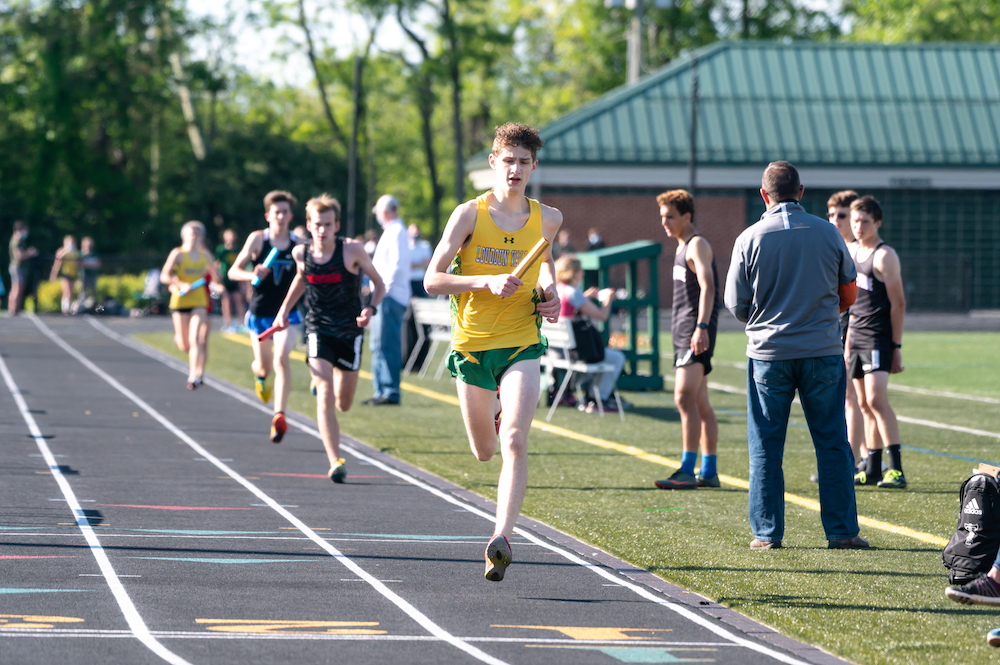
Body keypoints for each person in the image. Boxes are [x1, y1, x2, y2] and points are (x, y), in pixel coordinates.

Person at [425, 122, 562, 581]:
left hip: (521, 341)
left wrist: (551, 297)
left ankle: (501, 538)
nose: (516, 169)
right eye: (508, 160)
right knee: (485, 450)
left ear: (534, 167)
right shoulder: (469, 214)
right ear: (493, 163)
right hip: (472, 345)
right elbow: (432, 279)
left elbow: (546, 271)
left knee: (516, 440)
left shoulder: (549, 218)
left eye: (524, 162)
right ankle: (497, 419)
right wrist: (483, 280)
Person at [724, 161, 867, 550]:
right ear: (801, 191)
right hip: (821, 349)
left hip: (769, 353)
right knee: (833, 441)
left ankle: (768, 534)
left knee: (766, 444)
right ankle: (841, 531)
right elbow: (849, 292)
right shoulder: (829, 232)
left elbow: (736, 303)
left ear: (763, 195)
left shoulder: (749, 237)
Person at [274, 194, 385, 484]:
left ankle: (325, 381)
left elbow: (380, 283)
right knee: (324, 390)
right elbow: (301, 278)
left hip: (349, 331)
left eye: (328, 224)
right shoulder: (302, 253)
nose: (322, 230)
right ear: (308, 226)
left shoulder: (352, 251)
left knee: (343, 403)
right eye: (317, 224)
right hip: (318, 329)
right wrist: (283, 312)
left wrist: (370, 309)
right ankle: (335, 460)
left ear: (336, 225)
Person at [654, 189, 721, 490]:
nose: (664, 222)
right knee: (699, 402)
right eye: (662, 217)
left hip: (696, 332)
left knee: (683, 397)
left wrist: (702, 327)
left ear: (687, 216)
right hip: (683, 332)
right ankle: (709, 470)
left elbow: (709, 288)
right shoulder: (682, 247)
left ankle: (686, 468)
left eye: (670, 217)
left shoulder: (697, 245)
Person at [228, 190, 303, 443]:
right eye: (276, 212)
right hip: (260, 313)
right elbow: (233, 271)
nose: (280, 216)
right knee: (265, 365)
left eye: (285, 212)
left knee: (281, 359)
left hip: (287, 313)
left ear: (291, 215)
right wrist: (253, 274)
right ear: (268, 215)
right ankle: (260, 376)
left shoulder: (298, 243)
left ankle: (279, 415)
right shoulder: (258, 239)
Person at [847, 195, 907, 489]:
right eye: (855, 220)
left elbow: (899, 304)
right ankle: (871, 467)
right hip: (855, 338)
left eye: (865, 221)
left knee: (876, 400)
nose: (858, 226)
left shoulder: (884, 256)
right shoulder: (851, 252)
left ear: (877, 223)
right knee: (862, 403)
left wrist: (896, 347)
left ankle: (895, 469)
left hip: (877, 337)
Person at [826, 191, 873, 473]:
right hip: (840, 328)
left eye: (841, 215)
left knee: (852, 399)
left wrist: (848, 339)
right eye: (831, 215)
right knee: (855, 400)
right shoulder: (835, 246)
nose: (835, 220)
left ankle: (852, 461)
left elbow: (859, 302)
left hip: (855, 332)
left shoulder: (855, 251)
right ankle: (865, 455)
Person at [553, 254, 626, 413]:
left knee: (608, 357)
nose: (583, 273)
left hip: (557, 351)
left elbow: (568, 306)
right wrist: (608, 300)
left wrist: (584, 296)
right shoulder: (573, 292)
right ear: (572, 272)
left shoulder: (558, 289)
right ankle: (597, 399)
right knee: (616, 357)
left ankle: (593, 397)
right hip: (576, 354)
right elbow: (602, 315)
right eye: (580, 270)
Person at [160, 221, 220, 390]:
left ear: (201, 237)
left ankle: (194, 375)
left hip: (199, 301)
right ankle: (179, 337)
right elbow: (164, 276)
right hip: (180, 300)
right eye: (190, 234)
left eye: (197, 234)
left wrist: (217, 279)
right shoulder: (178, 254)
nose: (194, 237)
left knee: (196, 339)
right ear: (183, 236)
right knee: (184, 345)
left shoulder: (205, 255)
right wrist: (179, 284)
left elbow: (216, 277)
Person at [364, 194, 411, 406]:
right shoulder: (394, 231)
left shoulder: (397, 232)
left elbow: (397, 266)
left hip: (389, 296)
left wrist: (383, 290)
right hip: (386, 295)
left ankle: (389, 391)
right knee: (379, 344)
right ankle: (381, 389)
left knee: (386, 343)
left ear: (384, 212)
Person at [216, 229, 246, 333]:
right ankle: (227, 324)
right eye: (228, 236)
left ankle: (242, 323)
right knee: (226, 301)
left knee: (239, 301)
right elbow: (217, 263)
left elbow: (243, 264)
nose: (231, 238)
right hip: (224, 279)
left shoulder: (238, 250)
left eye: (232, 236)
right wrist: (217, 279)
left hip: (235, 280)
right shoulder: (221, 250)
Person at [8, 221, 38, 315]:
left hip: (15, 267)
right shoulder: (17, 240)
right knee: (18, 287)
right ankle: (14, 309)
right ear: (20, 229)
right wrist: (30, 253)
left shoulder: (15, 239)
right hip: (18, 267)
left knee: (14, 287)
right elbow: (19, 255)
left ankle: (13, 308)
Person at [49, 235, 80, 314]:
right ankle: (65, 309)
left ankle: (69, 308)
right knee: (67, 291)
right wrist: (54, 274)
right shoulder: (62, 251)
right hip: (65, 273)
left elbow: (78, 263)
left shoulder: (75, 252)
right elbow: (57, 264)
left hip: (73, 274)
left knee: (71, 292)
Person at [76, 236, 101, 311]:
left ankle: (92, 308)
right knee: (82, 293)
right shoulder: (80, 254)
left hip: (92, 276)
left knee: (92, 293)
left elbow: (98, 264)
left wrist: (87, 265)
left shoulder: (94, 254)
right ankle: (80, 308)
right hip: (83, 276)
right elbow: (80, 264)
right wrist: (90, 265)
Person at [408, 223, 432, 298]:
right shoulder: (405, 246)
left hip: (421, 280)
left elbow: (427, 263)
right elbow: (406, 265)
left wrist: (413, 265)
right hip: (408, 280)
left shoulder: (425, 245)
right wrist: (420, 264)